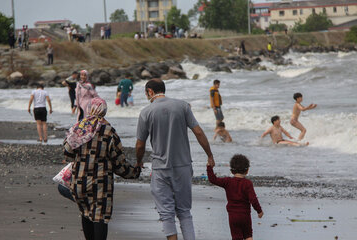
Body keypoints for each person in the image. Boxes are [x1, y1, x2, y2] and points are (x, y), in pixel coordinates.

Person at [135, 79, 215, 240]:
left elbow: (139, 145)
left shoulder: (146, 112)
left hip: (160, 168)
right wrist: (209, 155)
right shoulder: (182, 106)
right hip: (183, 166)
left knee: (166, 213)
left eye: (146, 93)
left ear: (150, 91)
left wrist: (139, 161)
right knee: (185, 212)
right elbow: (198, 132)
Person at [63, 97, 141, 240]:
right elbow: (119, 163)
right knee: (99, 216)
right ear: (104, 111)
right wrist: (134, 172)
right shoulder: (109, 131)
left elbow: (67, 151)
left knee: (86, 212)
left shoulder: (78, 127)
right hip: (100, 184)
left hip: (79, 181)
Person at [207, 154, 263, 240]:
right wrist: (259, 211)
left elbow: (213, 179)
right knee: (248, 235)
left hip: (233, 216)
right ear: (247, 170)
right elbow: (253, 199)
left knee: (236, 237)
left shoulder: (227, 182)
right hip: (245, 216)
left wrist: (209, 167)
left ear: (232, 171)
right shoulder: (248, 183)